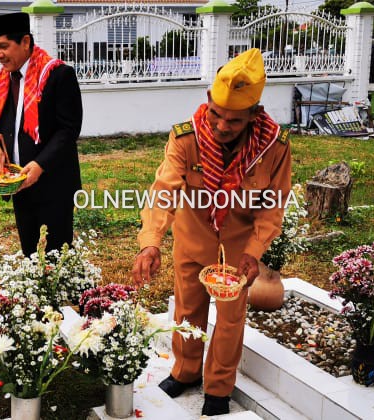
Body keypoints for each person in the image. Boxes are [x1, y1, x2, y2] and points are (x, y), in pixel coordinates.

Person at [131, 48, 292, 416]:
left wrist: (254, 250)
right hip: (192, 238)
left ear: (254, 114)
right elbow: (164, 190)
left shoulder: (274, 147)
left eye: (233, 121)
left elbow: (273, 204)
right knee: (188, 309)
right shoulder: (186, 138)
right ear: (208, 100)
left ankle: (219, 388)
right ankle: (186, 371)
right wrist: (150, 242)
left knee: (231, 320)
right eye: (216, 114)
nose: (221, 126)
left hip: (238, 248)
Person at [0, 12, 83, 256]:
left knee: (57, 256)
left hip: (53, 183)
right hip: (19, 183)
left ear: (25, 42)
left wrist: (39, 164)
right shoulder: (1, 81)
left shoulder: (58, 75)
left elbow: (68, 130)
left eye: (4, 46)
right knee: (30, 253)